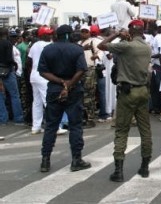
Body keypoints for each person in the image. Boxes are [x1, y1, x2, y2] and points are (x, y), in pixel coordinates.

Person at [98, 19, 153, 182]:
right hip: (143, 90)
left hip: (127, 92)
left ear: (130, 31)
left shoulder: (126, 46)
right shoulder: (147, 47)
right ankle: (145, 167)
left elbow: (102, 46)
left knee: (122, 131)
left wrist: (115, 33)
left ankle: (118, 171)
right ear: (142, 31)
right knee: (145, 130)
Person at [37, 24, 90, 172]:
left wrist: (60, 82)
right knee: (75, 125)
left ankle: (45, 160)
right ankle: (76, 159)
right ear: (69, 35)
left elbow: (42, 71)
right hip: (73, 89)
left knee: (51, 126)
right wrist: (69, 84)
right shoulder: (76, 49)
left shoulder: (48, 49)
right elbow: (81, 70)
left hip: (54, 88)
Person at [0, 27, 24, 125]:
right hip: (8, 71)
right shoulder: (8, 44)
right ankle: (18, 118)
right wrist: (15, 64)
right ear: (7, 34)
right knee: (15, 95)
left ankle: (3, 119)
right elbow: (9, 58)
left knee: (0, 96)